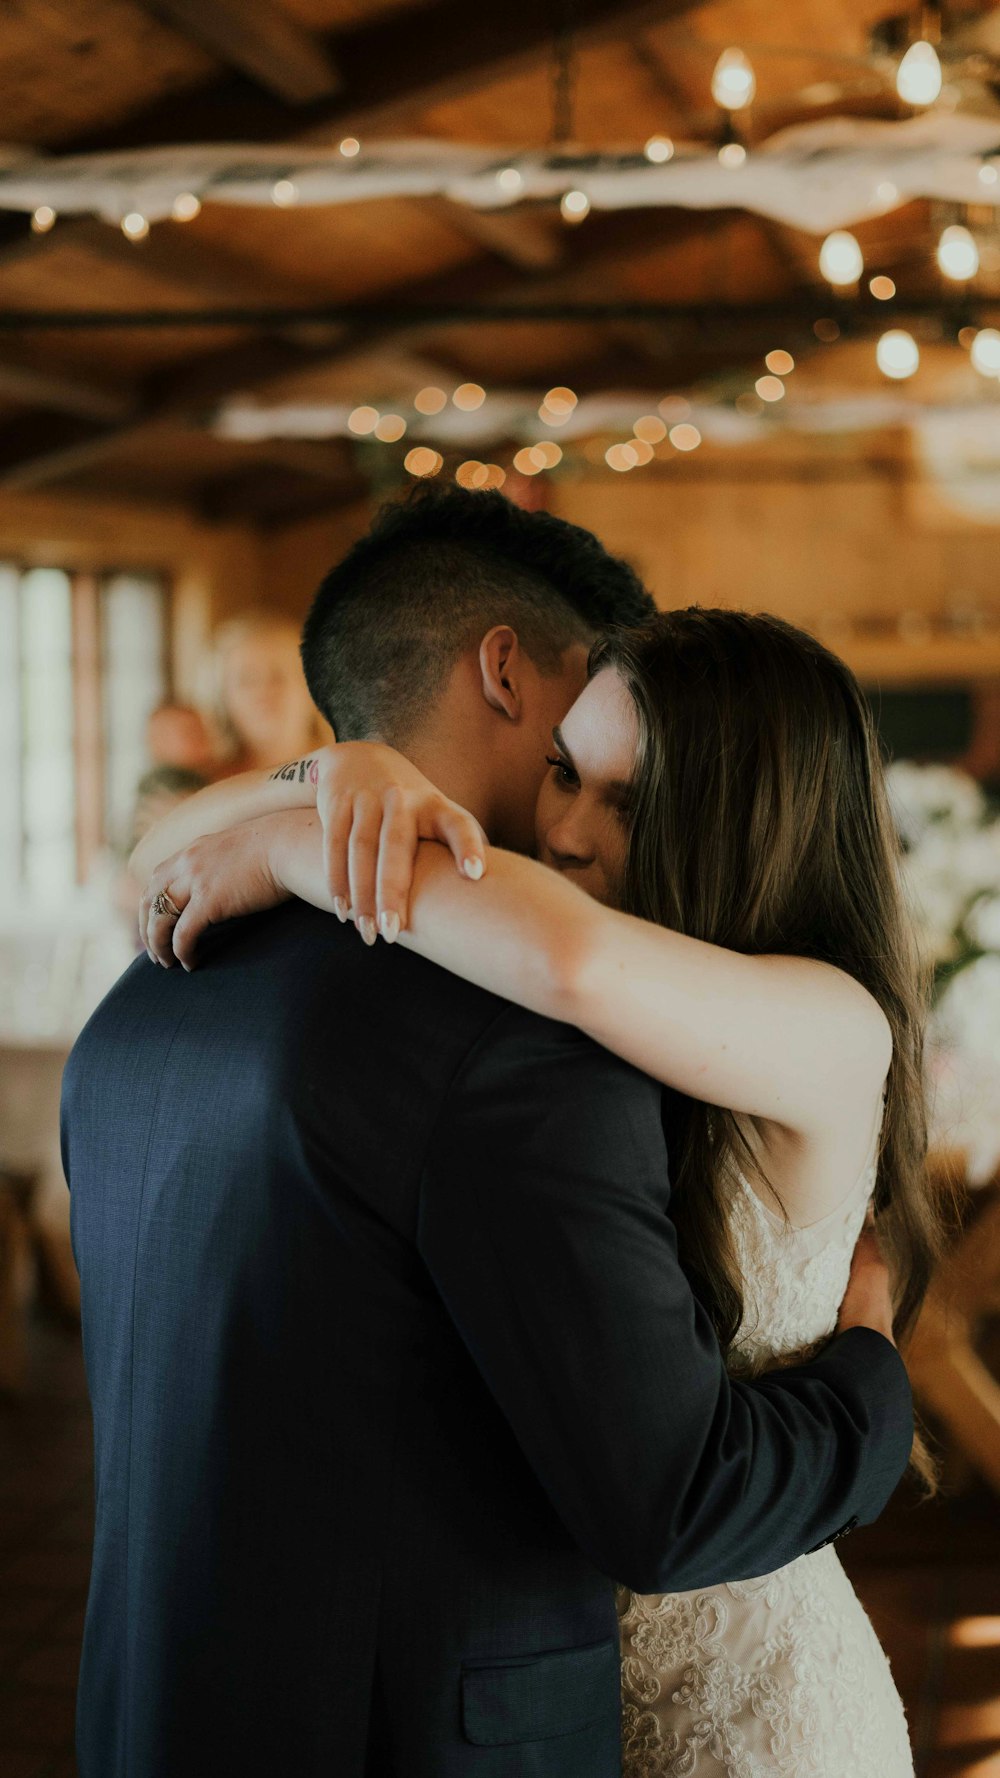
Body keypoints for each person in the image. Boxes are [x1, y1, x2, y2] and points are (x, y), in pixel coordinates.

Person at [66, 488, 914, 1778]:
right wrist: (319, 784)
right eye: (566, 768)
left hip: (737, 1697)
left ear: (737, 821)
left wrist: (302, 834)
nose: (565, 827)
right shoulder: (528, 1025)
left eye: (624, 797)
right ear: (508, 676)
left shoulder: (145, 1005)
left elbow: (568, 956)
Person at [211, 610, 325, 776]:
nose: (263, 690)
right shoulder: (200, 784)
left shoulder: (352, 773)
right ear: (223, 695)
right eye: (246, 679)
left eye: (278, 675)